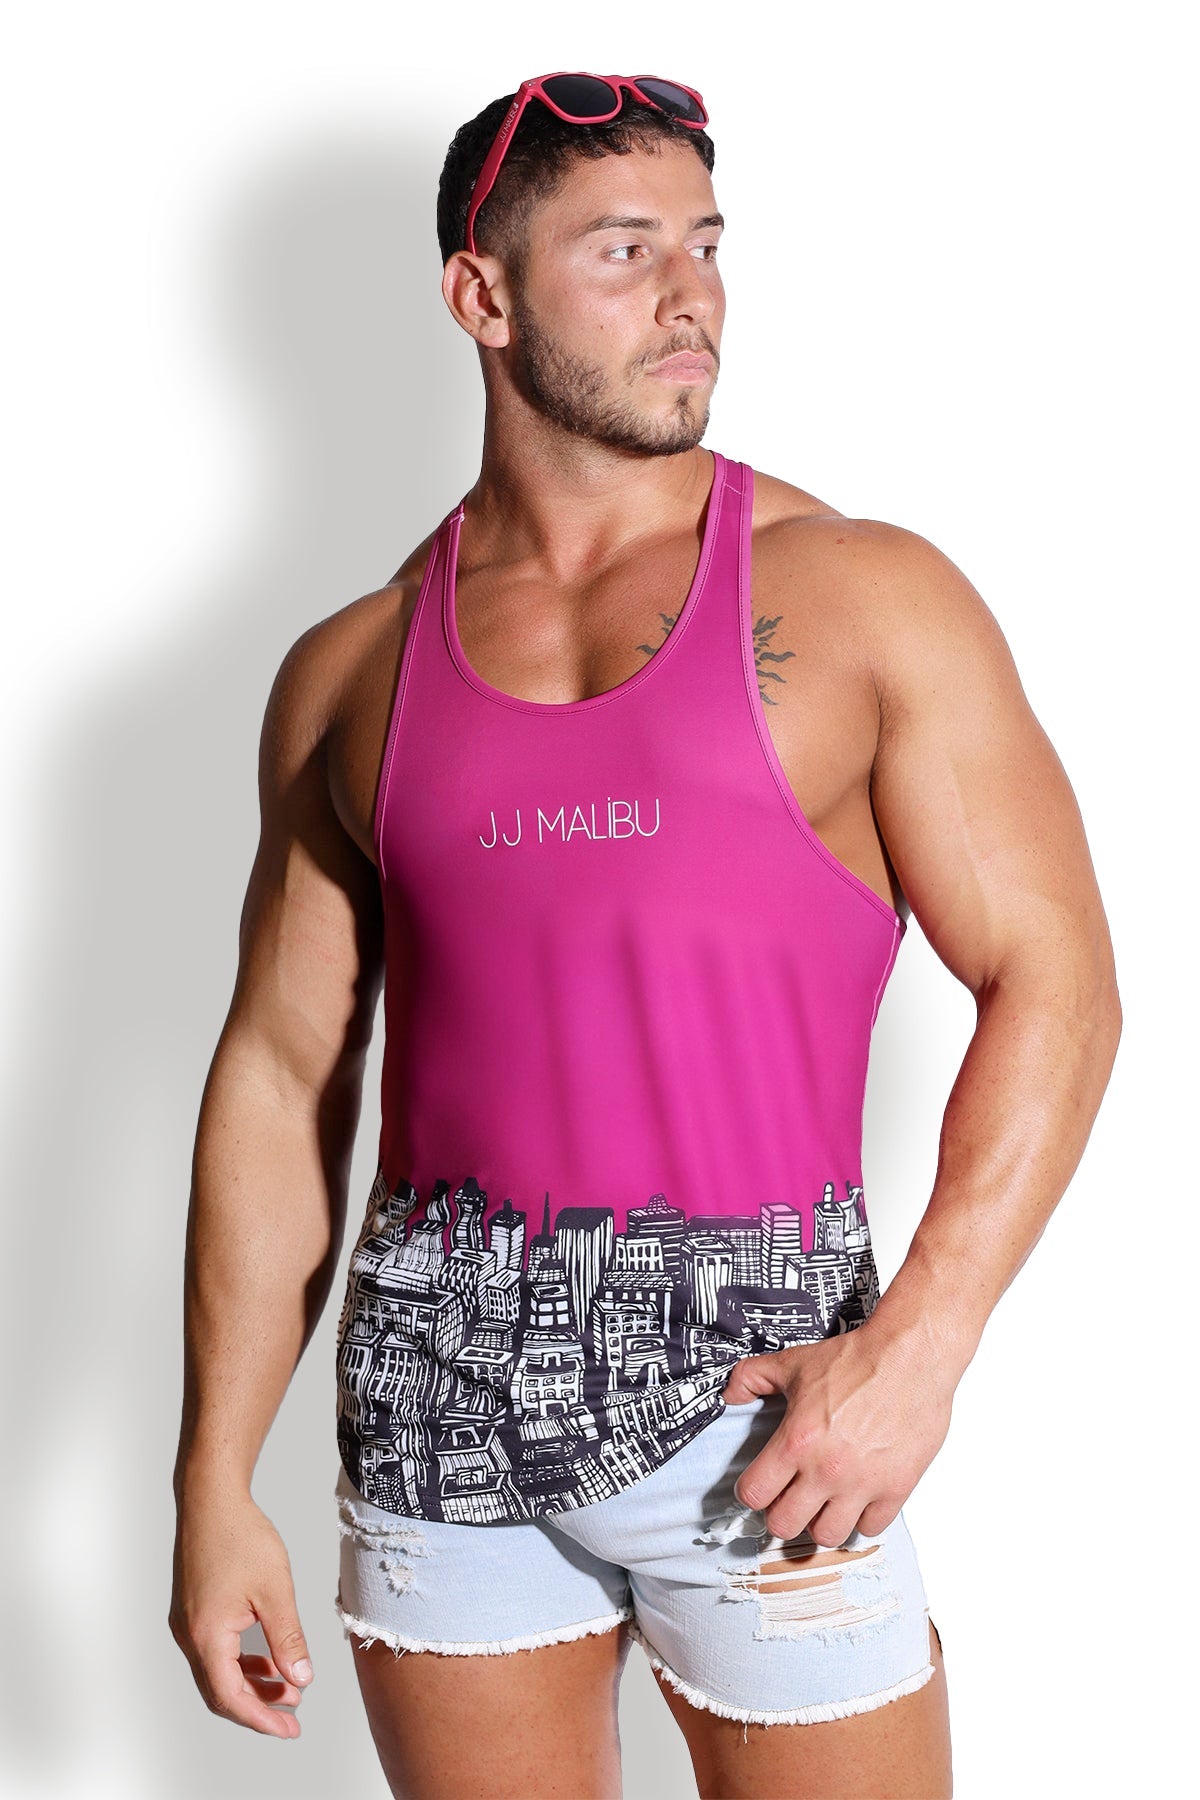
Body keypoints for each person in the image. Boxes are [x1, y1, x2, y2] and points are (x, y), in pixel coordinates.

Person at [169, 72, 1122, 1800]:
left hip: (768, 1423)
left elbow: (1055, 978)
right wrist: (212, 1476)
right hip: (435, 1428)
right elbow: (283, 1069)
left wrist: (923, 1345)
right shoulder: (353, 669)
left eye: (707, 245)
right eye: (624, 251)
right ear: (482, 297)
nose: (691, 297)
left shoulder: (862, 596)